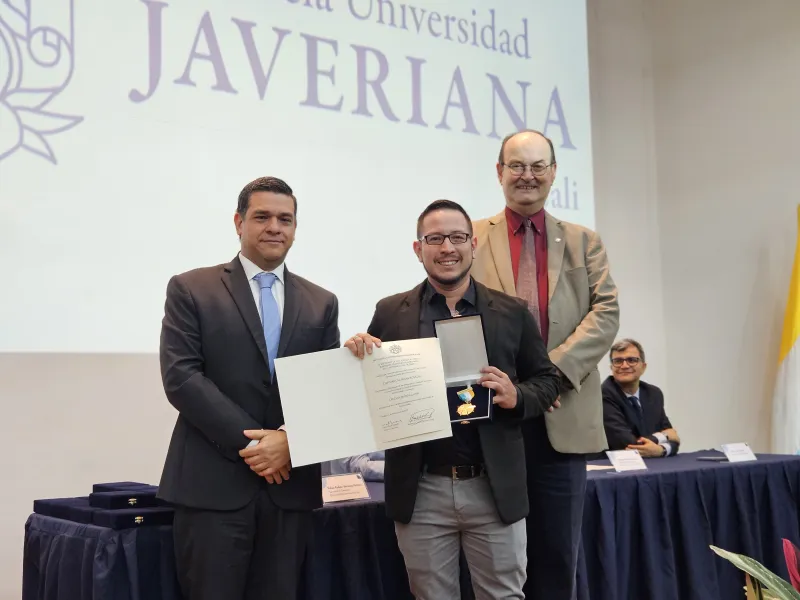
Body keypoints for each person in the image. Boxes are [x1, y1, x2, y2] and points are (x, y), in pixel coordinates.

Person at [346, 199, 561, 599]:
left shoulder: (511, 312)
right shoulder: (391, 312)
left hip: (493, 487)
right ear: (418, 249)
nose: (447, 247)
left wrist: (517, 395)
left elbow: (547, 380)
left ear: (473, 244)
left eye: (457, 237)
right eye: (435, 238)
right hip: (421, 487)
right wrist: (358, 352)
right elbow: (371, 388)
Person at [157, 176, 340, 600]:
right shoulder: (191, 288)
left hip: (289, 490)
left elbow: (326, 390)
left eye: (285, 218)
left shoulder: (321, 302)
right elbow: (182, 378)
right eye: (262, 217)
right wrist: (262, 447)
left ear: (295, 228)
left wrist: (290, 442)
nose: (274, 227)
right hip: (211, 489)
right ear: (239, 223)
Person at [471, 130, 620, 599]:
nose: (527, 176)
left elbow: (606, 313)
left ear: (554, 173)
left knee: (556, 559)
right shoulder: (470, 237)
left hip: (564, 416)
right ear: (499, 172)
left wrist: (548, 379)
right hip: (492, 420)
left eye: (538, 166)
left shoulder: (583, 242)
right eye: (517, 165)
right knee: (494, 563)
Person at [602, 339, 680, 457]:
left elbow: (674, 440)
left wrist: (662, 450)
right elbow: (627, 444)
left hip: (651, 466)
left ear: (643, 367)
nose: (624, 365)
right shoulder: (603, 394)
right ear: (611, 367)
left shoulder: (654, 394)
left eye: (632, 360)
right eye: (618, 361)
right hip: (612, 468)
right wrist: (663, 436)